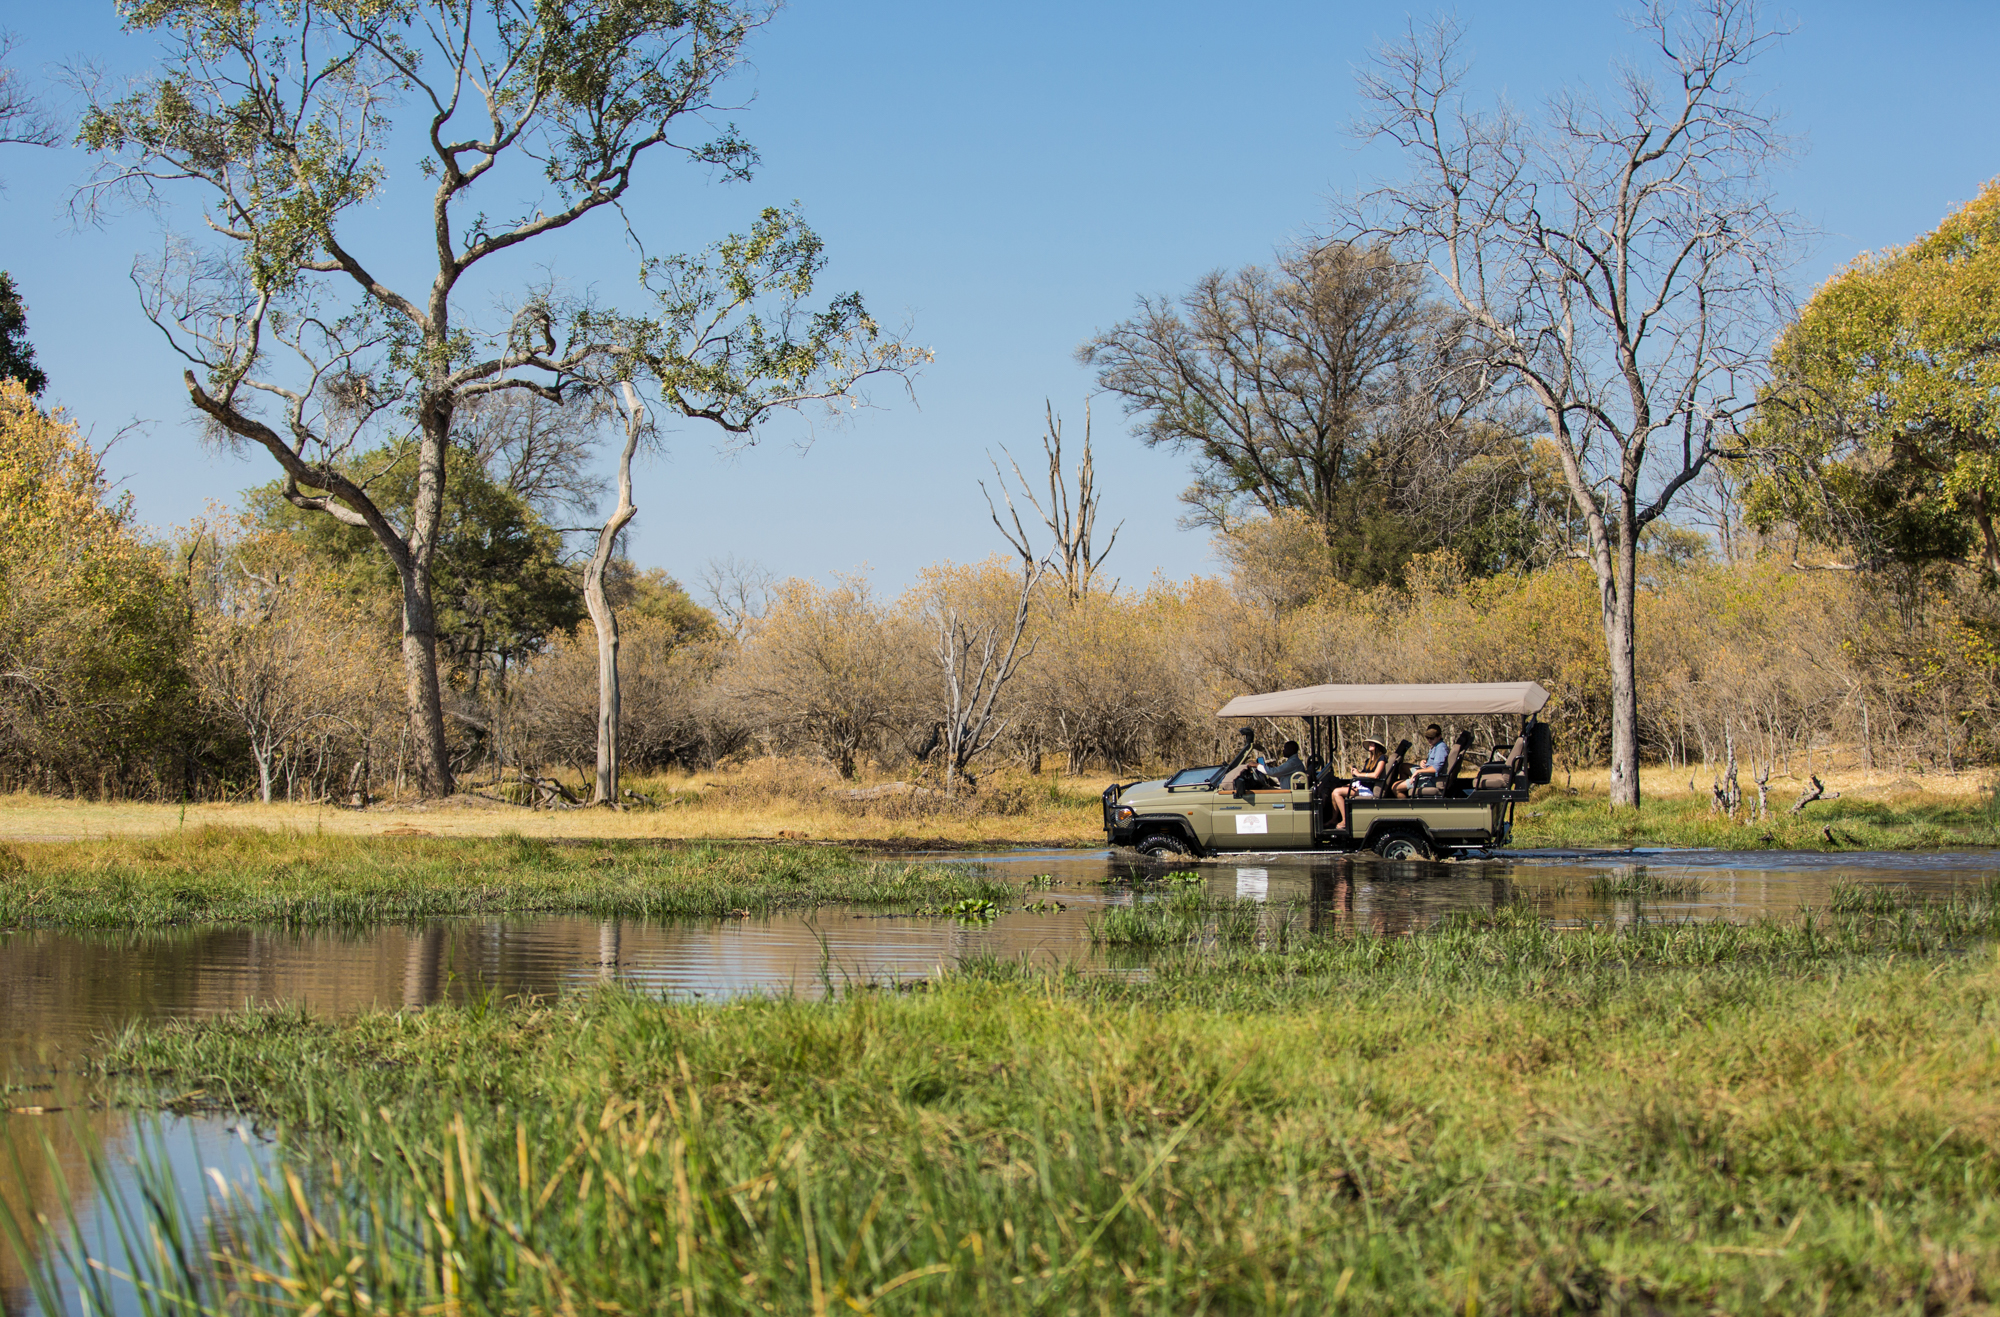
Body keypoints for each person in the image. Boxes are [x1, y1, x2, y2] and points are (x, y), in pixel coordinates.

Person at [1328, 738, 1388, 834]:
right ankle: (1334, 819)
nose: (1370, 745)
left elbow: (1376, 775)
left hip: (1368, 789)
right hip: (1360, 784)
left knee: (1337, 792)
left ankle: (1345, 821)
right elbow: (1363, 774)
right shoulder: (1369, 760)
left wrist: (1359, 774)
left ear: (1378, 746)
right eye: (1370, 743)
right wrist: (1355, 774)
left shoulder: (1382, 758)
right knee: (1334, 789)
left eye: (1373, 743)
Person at [1395, 724, 1448, 797]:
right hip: (1426, 774)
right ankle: (1406, 790)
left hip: (1430, 779)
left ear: (1439, 736)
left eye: (1432, 738)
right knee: (1403, 767)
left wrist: (1418, 771)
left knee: (1395, 787)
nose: (1429, 740)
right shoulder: (1435, 746)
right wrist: (1424, 762)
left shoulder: (1441, 748)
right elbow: (1433, 762)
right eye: (1427, 737)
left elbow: (1436, 768)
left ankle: (1406, 804)